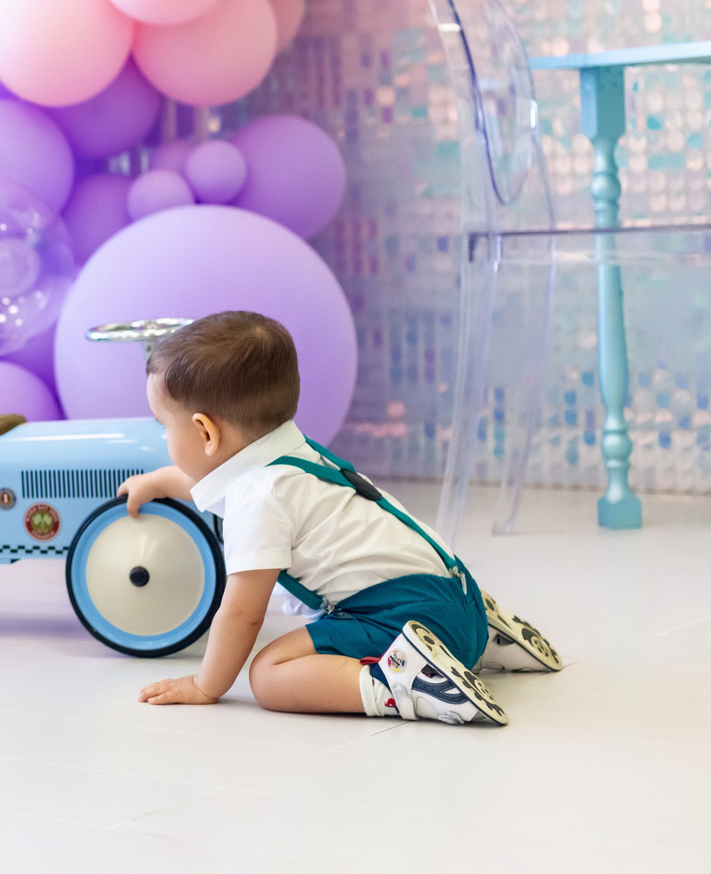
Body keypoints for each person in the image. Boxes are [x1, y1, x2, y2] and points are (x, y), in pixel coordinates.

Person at [120, 311, 561, 725]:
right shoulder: (290, 453)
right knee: (362, 628)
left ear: (205, 431)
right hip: (457, 593)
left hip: (407, 617)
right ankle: (485, 637)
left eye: (164, 425)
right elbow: (215, 481)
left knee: (269, 673)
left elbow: (241, 615)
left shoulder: (257, 498)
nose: (164, 435)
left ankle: (405, 682)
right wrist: (158, 482)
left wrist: (205, 685)